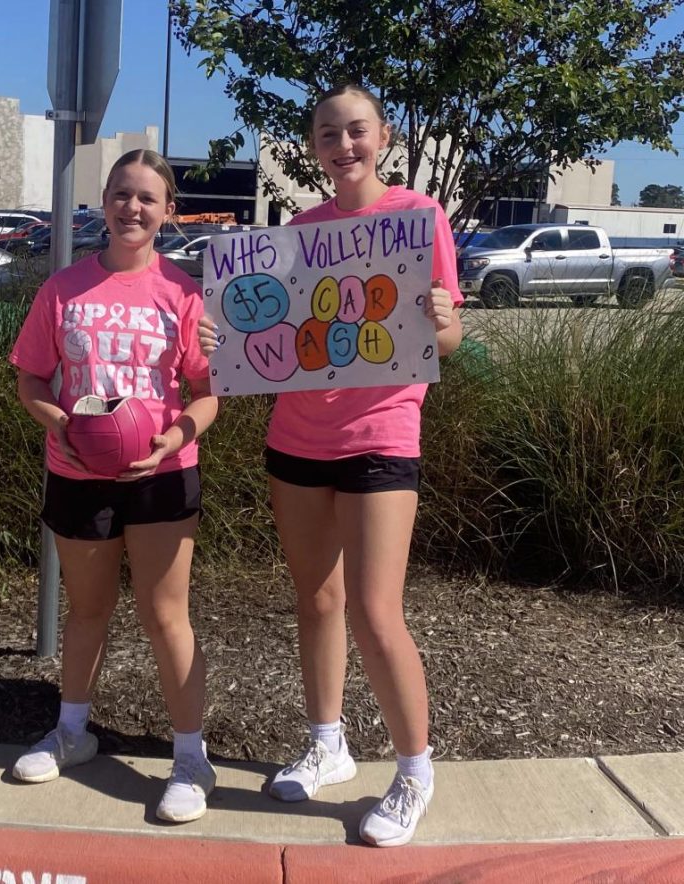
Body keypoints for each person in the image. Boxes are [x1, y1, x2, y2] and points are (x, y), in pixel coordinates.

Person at [201, 84, 463, 847]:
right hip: (297, 439)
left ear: (382, 136)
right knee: (316, 601)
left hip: (381, 433)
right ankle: (328, 742)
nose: (342, 146)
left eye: (355, 131)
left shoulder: (417, 220)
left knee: (376, 612)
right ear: (311, 147)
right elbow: (269, 339)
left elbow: (441, 341)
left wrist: (444, 323)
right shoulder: (300, 232)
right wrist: (225, 342)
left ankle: (414, 770)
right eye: (327, 134)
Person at [8, 149, 220, 823]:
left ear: (168, 212)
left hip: (161, 474)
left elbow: (207, 393)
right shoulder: (62, 288)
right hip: (79, 473)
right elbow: (31, 379)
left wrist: (176, 436)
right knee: (88, 612)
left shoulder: (184, 294)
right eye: (121, 195)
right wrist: (61, 424)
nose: (133, 208)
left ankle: (191, 758)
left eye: (148, 199)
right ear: (103, 203)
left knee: (166, 616)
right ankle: (73, 732)